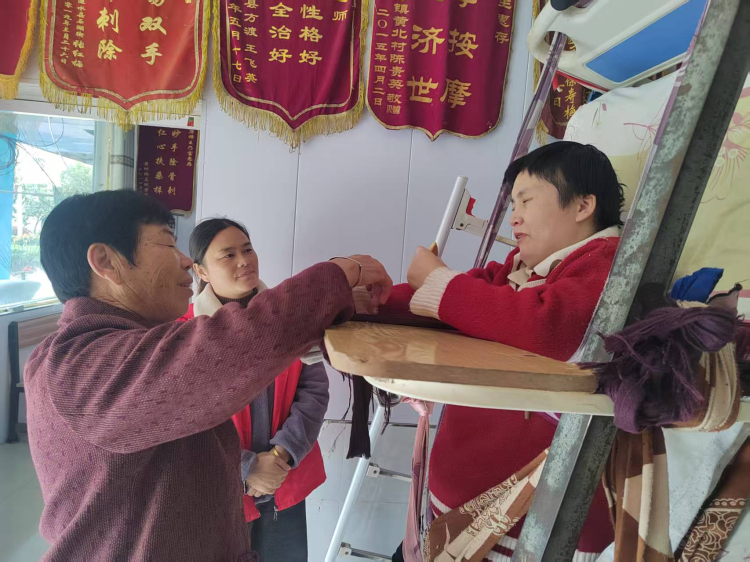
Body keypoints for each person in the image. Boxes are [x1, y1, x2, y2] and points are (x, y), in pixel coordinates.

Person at [24, 190, 392, 561]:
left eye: (247, 250)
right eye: (168, 244)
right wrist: (339, 274)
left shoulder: (138, 346)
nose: (185, 260)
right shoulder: (79, 364)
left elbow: (294, 369)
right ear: (106, 262)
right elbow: (236, 342)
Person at [384, 142, 623, 561]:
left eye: (526, 201)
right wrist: (367, 300)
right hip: (460, 514)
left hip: (520, 529)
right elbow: (459, 303)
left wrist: (441, 283)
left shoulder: (609, 265)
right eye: (513, 203)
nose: (514, 216)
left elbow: (546, 328)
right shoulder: (518, 268)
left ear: (583, 206)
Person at [178, 218, 327, 561]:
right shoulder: (184, 333)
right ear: (201, 271)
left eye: (247, 250)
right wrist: (246, 467)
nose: (244, 261)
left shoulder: (290, 316)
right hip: (219, 488)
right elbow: (185, 422)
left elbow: (315, 391)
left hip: (284, 478)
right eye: (228, 255)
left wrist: (281, 456)